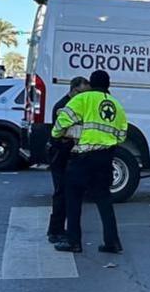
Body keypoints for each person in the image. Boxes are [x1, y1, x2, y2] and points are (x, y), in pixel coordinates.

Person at [51, 70, 127, 254]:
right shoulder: (116, 105)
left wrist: (56, 135)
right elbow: (122, 135)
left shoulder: (83, 99)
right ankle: (112, 242)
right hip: (106, 158)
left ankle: (74, 241)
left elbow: (63, 120)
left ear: (91, 84)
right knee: (104, 199)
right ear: (108, 85)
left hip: (83, 157)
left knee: (73, 197)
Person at [47, 76, 90, 243]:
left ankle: (58, 229)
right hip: (60, 155)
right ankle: (55, 230)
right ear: (73, 90)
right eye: (81, 93)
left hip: (69, 155)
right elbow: (59, 133)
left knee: (67, 193)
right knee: (61, 193)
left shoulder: (76, 105)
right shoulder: (63, 107)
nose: (83, 97)